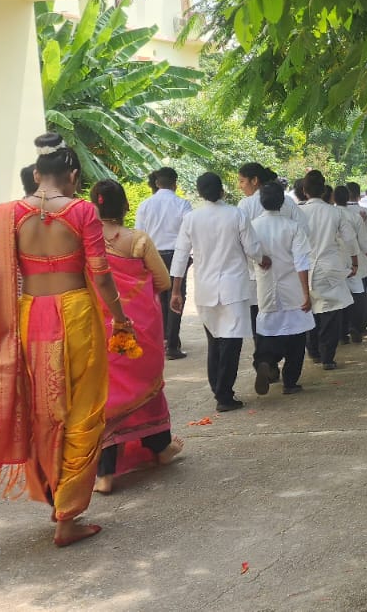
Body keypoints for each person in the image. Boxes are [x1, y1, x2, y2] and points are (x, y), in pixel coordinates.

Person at [0, 134, 133, 548]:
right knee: (84, 409)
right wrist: (121, 318)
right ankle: (68, 514)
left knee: (43, 407)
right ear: (73, 175)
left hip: (32, 315)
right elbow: (101, 274)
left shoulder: (7, 215)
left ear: (36, 174)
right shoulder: (82, 210)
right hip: (77, 313)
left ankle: (55, 497)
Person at [89, 180, 183, 495]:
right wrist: (134, 292)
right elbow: (162, 281)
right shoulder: (138, 240)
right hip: (136, 327)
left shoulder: (81, 242)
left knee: (104, 394)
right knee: (146, 387)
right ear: (126, 206)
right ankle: (161, 449)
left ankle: (104, 473)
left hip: (96, 328)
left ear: (93, 207)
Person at [172, 173, 269, 412]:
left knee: (214, 340)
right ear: (222, 191)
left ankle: (219, 389)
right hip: (233, 288)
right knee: (231, 342)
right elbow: (252, 247)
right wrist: (262, 259)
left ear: (200, 192)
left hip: (205, 289)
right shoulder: (236, 214)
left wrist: (176, 290)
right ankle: (224, 394)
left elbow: (181, 255)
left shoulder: (191, 218)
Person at [250, 182, 314, 396]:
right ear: (282, 202)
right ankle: (290, 382)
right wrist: (306, 293)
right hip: (292, 288)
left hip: (266, 287)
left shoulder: (253, 227)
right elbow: (301, 262)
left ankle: (265, 362)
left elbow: (249, 256)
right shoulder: (292, 227)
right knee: (296, 338)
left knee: (268, 331)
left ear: (261, 202)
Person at [299, 172, 357, 370]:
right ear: (324, 190)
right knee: (331, 313)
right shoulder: (334, 212)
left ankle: (313, 350)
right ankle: (327, 357)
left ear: (304, 191)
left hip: (305, 267)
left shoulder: (298, 213)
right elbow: (349, 239)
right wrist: (354, 262)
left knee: (309, 308)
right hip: (330, 267)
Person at [135, 167, 193, 360]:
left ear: (157, 183)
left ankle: (163, 339)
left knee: (159, 298)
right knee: (176, 296)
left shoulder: (145, 205)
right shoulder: (183, 204)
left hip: (153, 255)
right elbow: (190, 232)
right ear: (175, 183)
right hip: (177, 254)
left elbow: (139, 235)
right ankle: (172, 344)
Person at [339, 183, 367, 344]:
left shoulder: (333, 213)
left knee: (342, 297)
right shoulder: (364, 213)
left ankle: (342, 331)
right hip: (362, 262)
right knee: (362, 297)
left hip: (339, 262)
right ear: (359, 195)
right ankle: (358, 327)